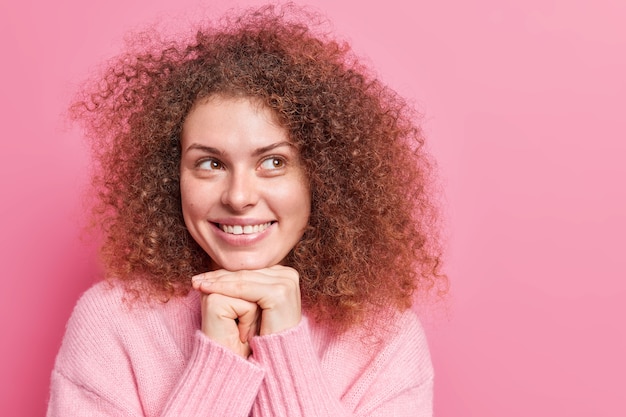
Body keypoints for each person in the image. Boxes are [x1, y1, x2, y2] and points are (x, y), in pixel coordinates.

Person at [47, 4, 446, 416]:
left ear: (321, 176)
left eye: (273, 162)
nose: (238, 197)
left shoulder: (384, 338)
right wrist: (217, 367)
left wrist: (286, 351)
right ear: (172, 177)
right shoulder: (112, 323)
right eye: (211, 163)